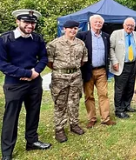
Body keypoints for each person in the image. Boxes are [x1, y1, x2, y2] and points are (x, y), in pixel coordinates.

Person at [0, 9, 51, 160]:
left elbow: (43, 57)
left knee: (34, 113)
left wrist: (36, 71)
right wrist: (27, 73)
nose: (30, 25)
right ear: (17, 22)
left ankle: (32, 141)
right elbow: (2, 64)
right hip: (14, 84)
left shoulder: (37, 39)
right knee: (11, 118)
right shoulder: (5, 39)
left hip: (35, 83)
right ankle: (7, 152)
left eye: (32, 23)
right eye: (26, 22)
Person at [47, 20, 88, 143]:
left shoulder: (81, 43)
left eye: (75, 28)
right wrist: (61, 70)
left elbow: (83, 60)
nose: (73, 30)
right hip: (60, 78)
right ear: (64, 29)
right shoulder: (54, 44)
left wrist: (72, 69)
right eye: (70, 28)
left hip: (76, 76)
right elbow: (49, 61)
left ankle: (74, 124)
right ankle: (59, 129)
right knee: (60, 103)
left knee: (74, 101)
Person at [76, 15, 116, 128]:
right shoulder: (83, 35)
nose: (98, 24)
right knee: (89, 96)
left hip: (102, 71)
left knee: (104, 94)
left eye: (100, 22)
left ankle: (106, 118)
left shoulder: (106, 37)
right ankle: (92, 118)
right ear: (90, 23)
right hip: (88, 71)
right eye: (96, 22)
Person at [110, 17, 136, 118]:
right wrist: (114, 61)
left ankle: (127, 105)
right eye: (128, 25)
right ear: (124, 25)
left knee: (130, 87)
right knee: (120, 88)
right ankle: (119, 110)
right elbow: (111, 48)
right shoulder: (116, 34)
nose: (130, 27)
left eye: (132, 26)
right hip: (121, 65)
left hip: (133, 65)